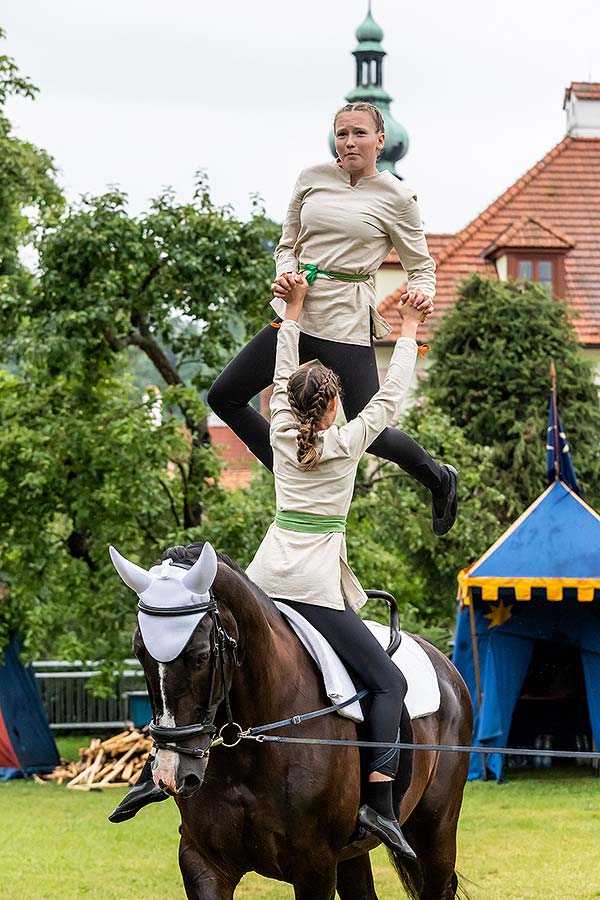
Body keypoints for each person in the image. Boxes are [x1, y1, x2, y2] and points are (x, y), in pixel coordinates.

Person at [208, 101, 457, 535]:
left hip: (346, 322)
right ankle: (288, 468)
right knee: (224, 396)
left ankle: (439, 478)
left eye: (359, 133)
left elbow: (422, 266)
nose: (349, 142)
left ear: (380, 140)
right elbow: (287, 243)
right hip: (297, 311)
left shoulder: (398, 198)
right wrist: (284, 274)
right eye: (342, 134)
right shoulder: (311, 179)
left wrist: (422, 295)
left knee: (373, 430)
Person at [243, 275, 423, 859]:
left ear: (289, 408)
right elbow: (392, 395)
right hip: (315, 586)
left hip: (264, 579)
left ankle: (162, 759)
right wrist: (410, 330)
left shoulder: (279, 435)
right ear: (336, 405)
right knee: (388, 682)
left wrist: (291, 311)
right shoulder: (347, 442)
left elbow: (279, 373)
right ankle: (379, 803)